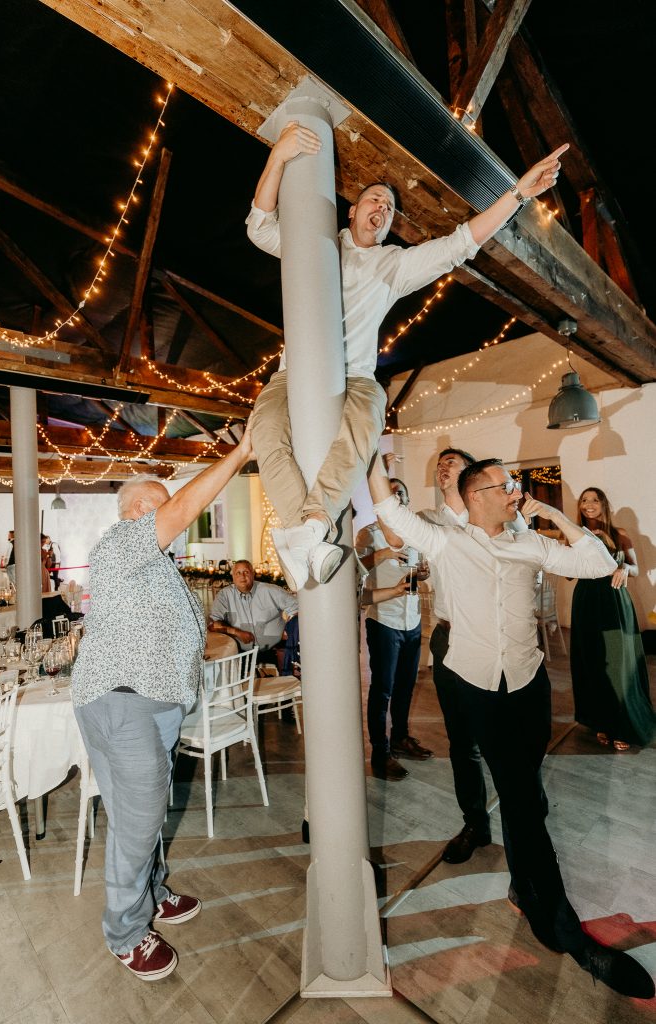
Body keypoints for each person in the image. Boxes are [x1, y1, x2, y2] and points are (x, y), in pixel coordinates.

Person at [367, 453, 654, 1000]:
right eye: (506, 485)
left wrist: (551, 512)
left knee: (528, 794)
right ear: (476, 496)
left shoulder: (529, 543)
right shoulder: (446, 541)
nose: (515, 491)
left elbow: (596, 563)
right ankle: (565, 931)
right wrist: (368, 447)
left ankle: (524, 885)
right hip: (478, 685)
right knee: (522, 798)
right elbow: (388, 508)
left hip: (528, 681)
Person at [246, 121, 568, 591]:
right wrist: (278, 156)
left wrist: (517, 193)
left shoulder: (392, 265)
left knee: (365, 425)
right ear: (353, 210)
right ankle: (307, 535)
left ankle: (309, 526)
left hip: (356, 377)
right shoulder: (315, 245)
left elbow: (460, 244)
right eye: (375, 200)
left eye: (390, 208)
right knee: (265, 431)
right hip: (290, 373)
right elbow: (259, 227)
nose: (382, 208)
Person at [71, 426, 254, 981]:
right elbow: (178, 511)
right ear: (136, 512)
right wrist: (241, 453)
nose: (175, 514)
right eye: (162, 505)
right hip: (125, 700)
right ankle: (126, 931)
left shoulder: (158, 568)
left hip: (154, 705)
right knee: (139, 818)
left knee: (143, 811)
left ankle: (151, 892)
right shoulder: (120, 545)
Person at [420, 448, 527, 864]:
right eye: (440, 463)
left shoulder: (501, 517)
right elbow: (394, 536)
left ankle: (525, 828)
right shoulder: (430, 521)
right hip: (448, 638)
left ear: (473, 480)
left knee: (505, 740)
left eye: (453, 462)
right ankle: (475, 825)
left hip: (494, 641)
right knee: (462, 743)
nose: (443, 466)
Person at [356, 477, 433, 780]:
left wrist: (422, 574)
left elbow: (418, 571)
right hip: (383, 621)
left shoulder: (415, 532)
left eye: (400, 492)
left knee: (405, 685)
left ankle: (401, 738)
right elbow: (356, 570)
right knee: (382, 690)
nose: (395, 496)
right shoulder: (369, 533)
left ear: (406, 501)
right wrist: (385, 553)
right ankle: (380, 753)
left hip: (411, 619)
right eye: (388, 493)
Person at [570, 487, 656, 751]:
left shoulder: (620, 533)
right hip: (586, 601)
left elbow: (637, 568)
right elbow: (568, 573)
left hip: (614, 601)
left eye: (594, 500)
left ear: (604, 504)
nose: (589, 504)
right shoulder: (574, 534)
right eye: (584, 500)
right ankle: (602, 722)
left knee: (618, 664)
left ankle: (623, 724)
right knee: (593, 662)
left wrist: (623, 568)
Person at [208, 559, 298, 666]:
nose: (242, 576)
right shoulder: (224, 596)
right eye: (238, 573)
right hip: (240, 654)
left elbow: (297, 609)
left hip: (274, 651)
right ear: (233, 576)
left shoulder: (271, 591)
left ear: (253, 574)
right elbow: (213, 625)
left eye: (246, 572)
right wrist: (237, 632)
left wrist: (289, 629)